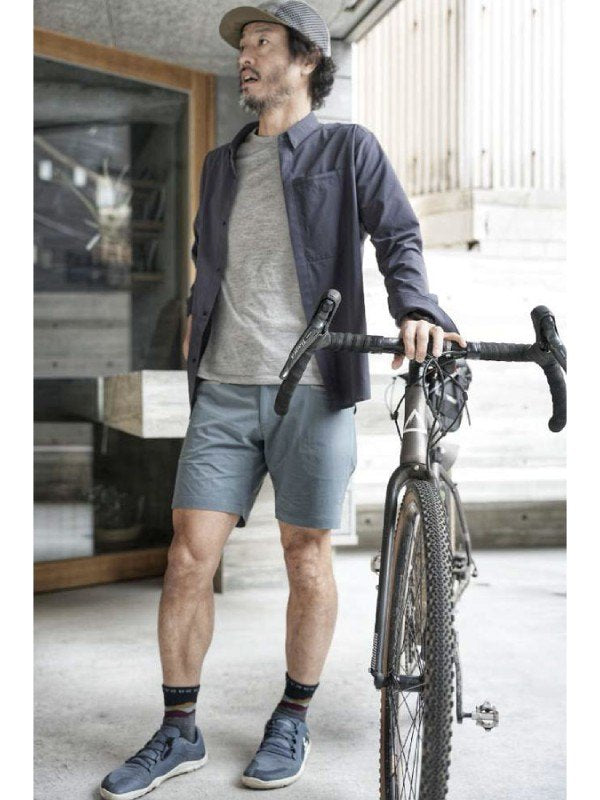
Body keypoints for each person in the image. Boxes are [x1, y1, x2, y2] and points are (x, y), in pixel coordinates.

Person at [100, 2, 466, 797]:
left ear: (307, 60)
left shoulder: (348, 147)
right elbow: (208, 264)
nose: (246, 55)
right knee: (188, 555)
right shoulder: (220, 163)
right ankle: (178, 728)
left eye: (263, 42)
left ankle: (293, 714)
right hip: (225, 386)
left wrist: (416, 308)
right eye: (243, 45)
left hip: (316, 385)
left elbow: (398, 236)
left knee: (306, 554)